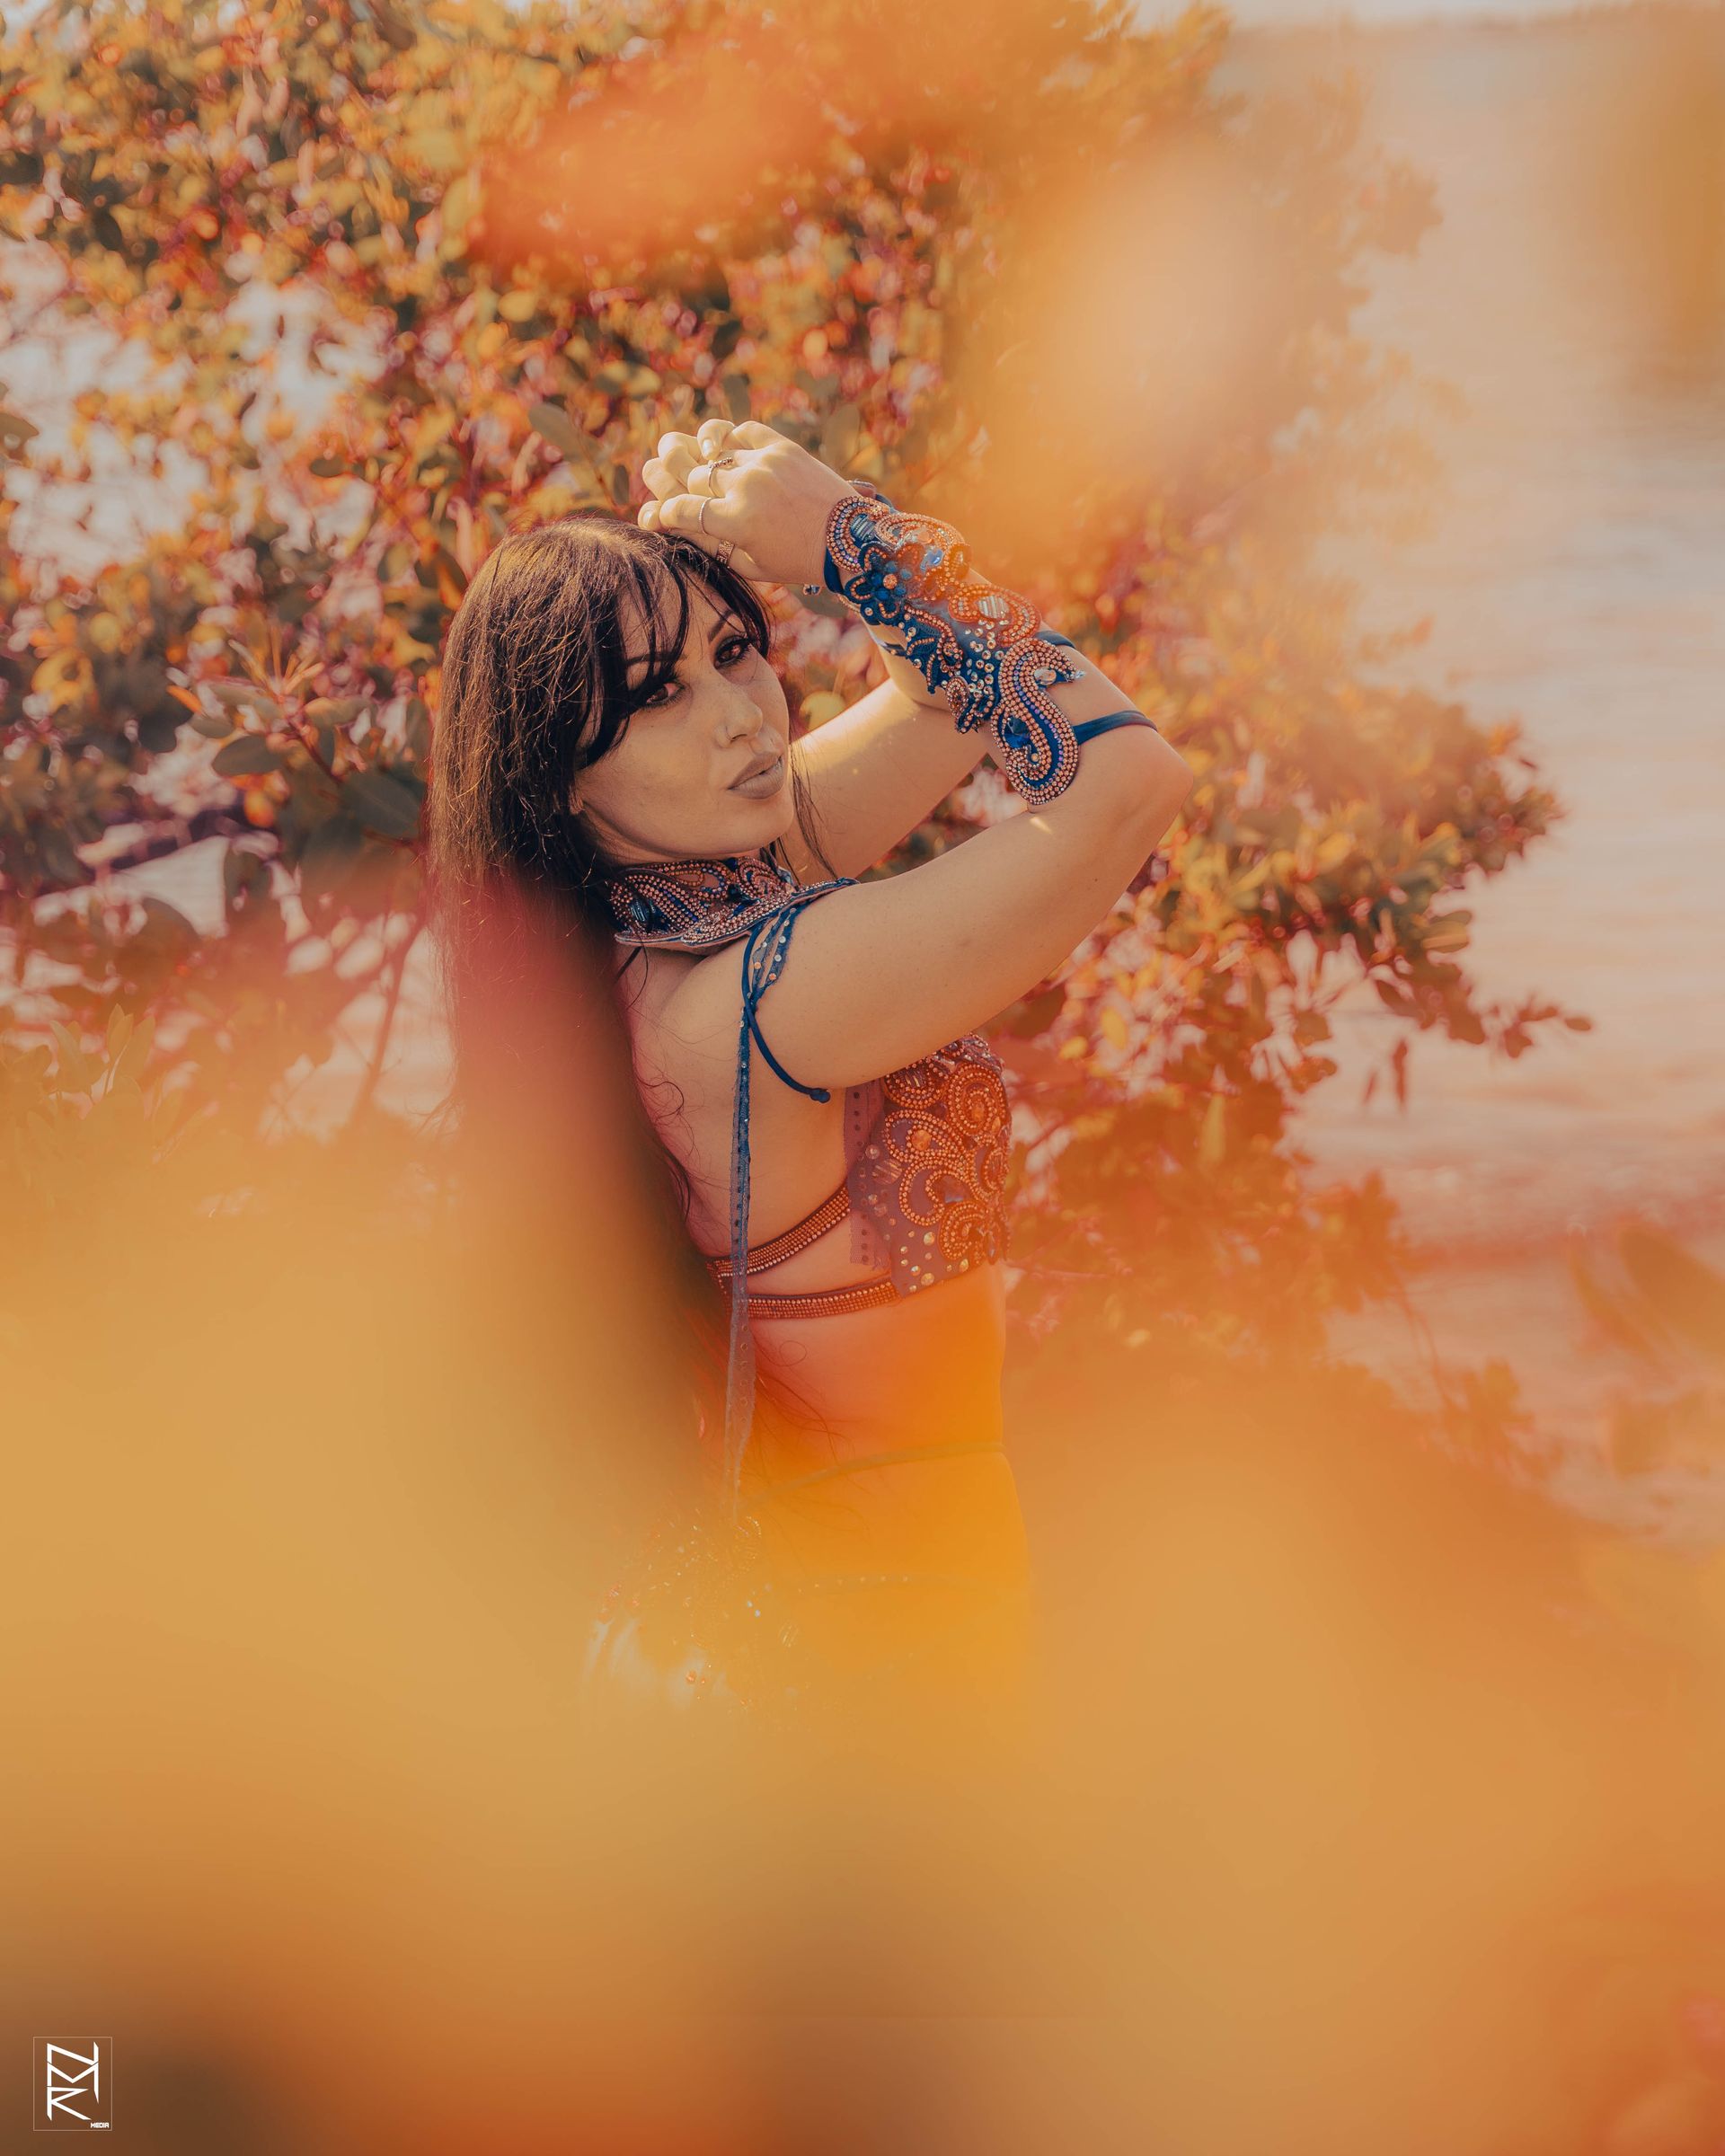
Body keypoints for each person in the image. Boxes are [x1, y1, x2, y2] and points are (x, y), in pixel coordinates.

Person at [429, 418, 1193, 1721]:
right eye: (656, 694)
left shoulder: (651, 919)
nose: (739, 718)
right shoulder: (758, 1004)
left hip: (795, 1623)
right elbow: (1127, 782)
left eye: (736, 652)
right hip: (870, 1662)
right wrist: (848, 540)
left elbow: (959, 686)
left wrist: (850, 542)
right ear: (559, 775)